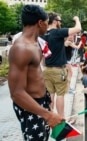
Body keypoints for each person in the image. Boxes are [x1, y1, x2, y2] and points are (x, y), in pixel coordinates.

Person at [8, 5, 64, 141]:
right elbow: (16, 93)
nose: (48, 26)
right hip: (31, 107)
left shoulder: (36, 43)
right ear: (40, 23)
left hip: (40, 103)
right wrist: (48, 115)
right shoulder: (22, 48)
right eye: (46, 23)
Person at [42, 12, 81, 117]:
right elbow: (78, 28)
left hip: (47, 70)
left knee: (50, 95)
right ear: (55, 21)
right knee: (60, 95)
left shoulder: (43, 34)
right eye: (60, 21)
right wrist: (76, 19)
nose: (60, 23)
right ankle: (61, 119)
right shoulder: (57, 32)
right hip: (58, 70)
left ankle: (50, 118)